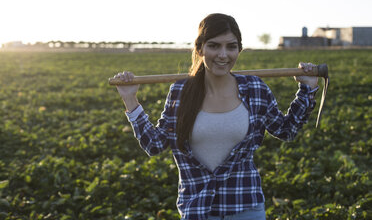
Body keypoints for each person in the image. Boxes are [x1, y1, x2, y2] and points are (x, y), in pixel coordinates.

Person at [113, 13, 318, 220]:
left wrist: (307, 90)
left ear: (239, 49)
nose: (223, 54)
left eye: (231, 46)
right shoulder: (181, 92)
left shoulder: (255, 88)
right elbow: (154, 144)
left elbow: (286, 130)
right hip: (197, 211)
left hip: (246, 209)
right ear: (200, 48)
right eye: (214, 46)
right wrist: (131, 100)